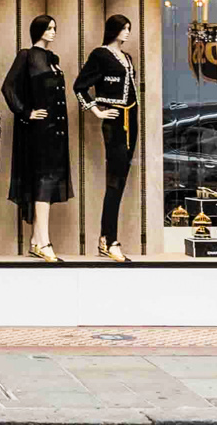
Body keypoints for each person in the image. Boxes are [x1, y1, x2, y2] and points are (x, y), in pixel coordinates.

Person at [2, 14, 72, 262]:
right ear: (38, 30)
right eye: (48, 28)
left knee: (50, 182)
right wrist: (25, 112)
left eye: (54, 27)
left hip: (57, 131)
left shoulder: (53, 59)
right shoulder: (27, 55)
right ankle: (44, 241)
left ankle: (35, 240)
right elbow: (8, 87)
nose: (53, 32)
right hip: (38, 131)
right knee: (42, 183)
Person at [73, 14, 138, 262]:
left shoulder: (128, 57)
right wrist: (96, 110)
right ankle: (109, 239)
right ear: (113, 30)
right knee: (114, 179)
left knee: (121, 180)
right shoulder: (100, 55)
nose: (127, 32)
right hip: (114, 122)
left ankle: (106, 238)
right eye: (123, 28)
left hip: (131, 120)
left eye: (129, 28)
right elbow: (79, 86)